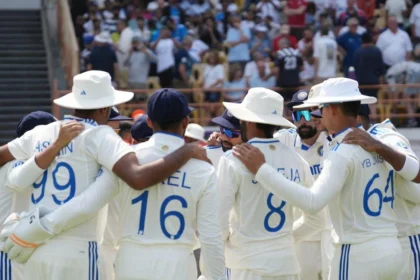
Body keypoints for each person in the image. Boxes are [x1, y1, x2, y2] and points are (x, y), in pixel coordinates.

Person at [0, 71, 208, 280]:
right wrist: (187, 150)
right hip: (76, 249)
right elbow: (138, 178)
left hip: (34, 247)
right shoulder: (100, 135)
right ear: (104, 108)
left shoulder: (43, 132)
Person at [233, 78, 406, 280]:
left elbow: (313, 202)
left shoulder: (341, 152)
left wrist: (262, 169)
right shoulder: (376, 144)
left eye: (320, 109)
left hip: (357, 253)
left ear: (333, 109)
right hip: (392, 247)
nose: (316, 115)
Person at [218, 87, 313, 280]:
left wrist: (232, 240)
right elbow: (317, 220)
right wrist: (282, 240)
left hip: (247, 266)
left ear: (250, 121)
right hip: (286, 264)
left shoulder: (233, 158)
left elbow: (217, 221)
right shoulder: (297, 160)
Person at [0, 111, 70, 280]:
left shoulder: (43, 164)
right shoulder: (16, 164)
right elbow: (20, 180)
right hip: (9, 251)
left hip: (28, 248)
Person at [274, 88, 329, 280]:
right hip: (301, 234)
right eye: (297, 115)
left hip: (331, 233)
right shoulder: (284, 139)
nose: (303, 120)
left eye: (308, 113)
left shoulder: (331, 140)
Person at [353, 32, 384, 117]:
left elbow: (355, 67)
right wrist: (381, 81)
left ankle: (364, 121)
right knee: (372, 102)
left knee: (363, 102)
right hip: (374, 81)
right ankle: (373, 120)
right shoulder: (377, 51)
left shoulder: (358, 52)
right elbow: (381, 68)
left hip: (361, 82)